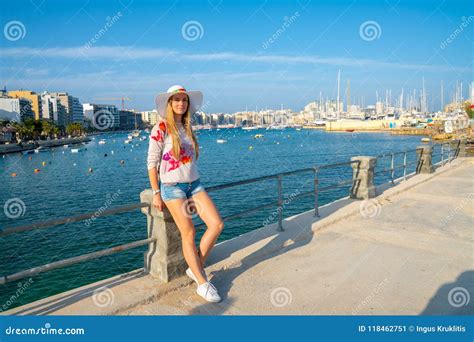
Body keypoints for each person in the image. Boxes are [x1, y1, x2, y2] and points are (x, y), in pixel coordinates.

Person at [147, 85, 224, 303]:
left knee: (217, 224)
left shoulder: (187, 127)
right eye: (177, 100)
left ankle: (195, 266)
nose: (181, 103)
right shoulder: (160, 128)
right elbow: (152, 164)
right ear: (169, 104)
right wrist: (155, 192)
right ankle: (202, 283)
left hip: (195, 185)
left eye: (184, 100)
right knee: (188, 232)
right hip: (172, 188)